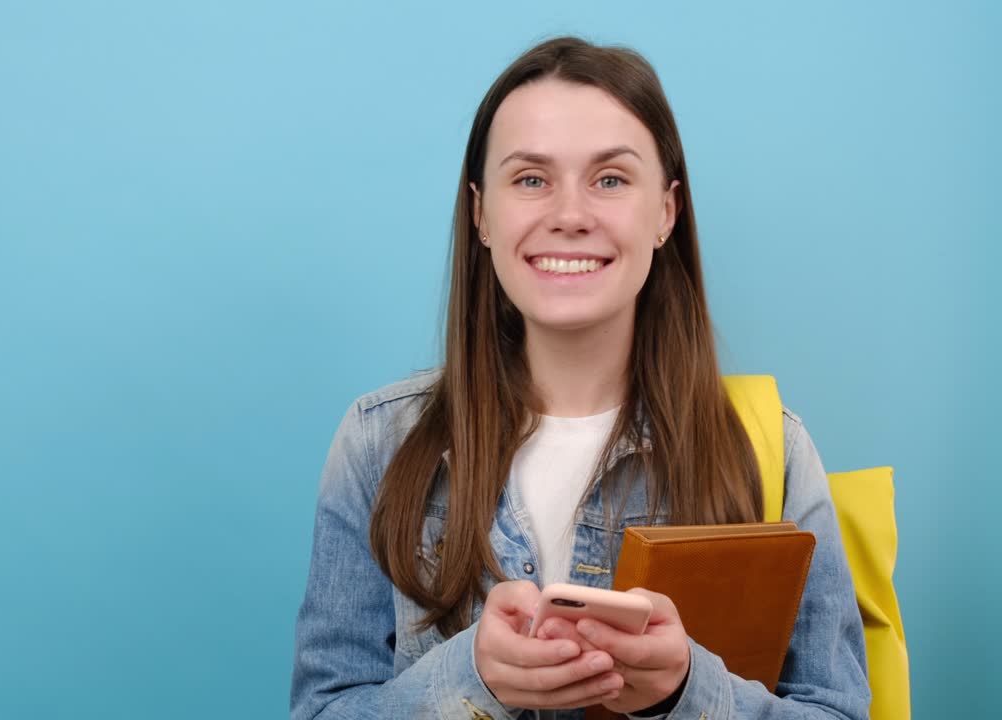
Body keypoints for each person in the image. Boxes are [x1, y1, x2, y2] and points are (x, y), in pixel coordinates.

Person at [290, 36, 870, 720]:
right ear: (481, 213)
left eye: (611, 179)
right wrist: (471, 680)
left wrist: (685, 692)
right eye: (531, 179)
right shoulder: (377, 443)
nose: (569, 216)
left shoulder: (774, 452)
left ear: (666, 212)